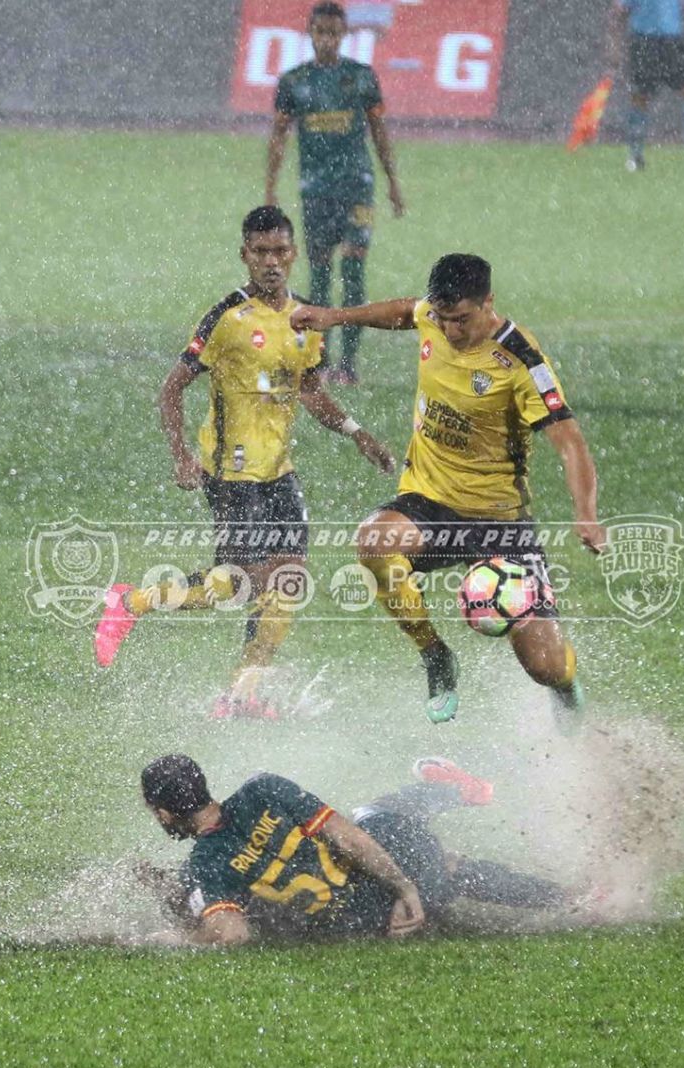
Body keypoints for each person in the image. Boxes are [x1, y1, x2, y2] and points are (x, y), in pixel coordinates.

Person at [94, 206, 396, 717]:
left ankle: (242, 692)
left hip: (279, 473)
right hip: (232, 474)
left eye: (279, 251)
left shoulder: (307, 320)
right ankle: (129, 603)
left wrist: (355, 432)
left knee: (289, 580)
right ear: (245, 255)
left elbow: (308, 389)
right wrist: (182, 456)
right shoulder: (227, 318)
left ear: (294, 254)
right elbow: (171, 389)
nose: (271, 262)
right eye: (260, 252)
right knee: (240, 582)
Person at [292, 255, 606, 727]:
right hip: (430, 501)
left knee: (543, 665)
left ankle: (564, 684)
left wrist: (586, 514)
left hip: (499, 522)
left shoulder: (521, 360)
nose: (450, 330)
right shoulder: (432, 317)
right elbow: (407, 311)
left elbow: (571, 443)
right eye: (442, 318)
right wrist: (334, 316)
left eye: (461, 319)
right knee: (374, 542)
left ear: (488, 303)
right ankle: (436, 655)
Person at [140, 753, 571, 945]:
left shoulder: (204, 866)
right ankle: (571, 899)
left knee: (388, 826)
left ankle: (457, 791)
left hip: (373, 921)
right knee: (379, 821)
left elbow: (230, 933)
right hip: (402, 881)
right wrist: (405, 886)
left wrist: (175, 939)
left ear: (163, 814)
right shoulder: (262, 789)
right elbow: (347, 838)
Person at [264, 1, 406, 384]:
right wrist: (270, 188)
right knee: (320, 274)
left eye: (332, 32)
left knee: (354, 269)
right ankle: (322, 361)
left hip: (357, 186)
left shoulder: (361, 77)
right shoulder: (293, 82)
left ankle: (349, 365)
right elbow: (278, 137)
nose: (326, 40)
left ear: (343, 34)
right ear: (310, 33)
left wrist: (392, 181)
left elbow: (379, 132)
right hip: (316, 191)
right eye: (320, 32)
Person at [604, 0, 684, 173]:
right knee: (640, 98)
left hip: (671, 42)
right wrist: (614, 46)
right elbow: (619, 12)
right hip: (645, 42)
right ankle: (635, 156)